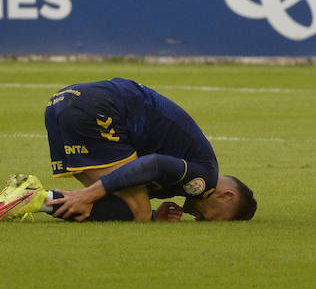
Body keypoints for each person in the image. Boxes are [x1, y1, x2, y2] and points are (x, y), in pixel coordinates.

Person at [0, 78, 255, 222]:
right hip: (100, 109)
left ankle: (24, 198)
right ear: (226, 196)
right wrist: (89, 194)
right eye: (217, 220)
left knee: (129, 206)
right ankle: (35, 197)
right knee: (137, 211)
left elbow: (129, 185)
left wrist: (155, 215)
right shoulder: (204, 179)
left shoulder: (190, 170)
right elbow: (154, 164)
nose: (203, 220)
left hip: (62, 102)